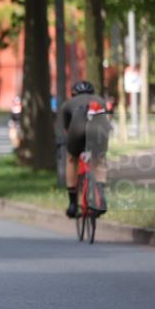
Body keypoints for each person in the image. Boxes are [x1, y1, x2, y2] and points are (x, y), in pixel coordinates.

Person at [57, 81, 109, 218]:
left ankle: (73, 204)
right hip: (98, 129)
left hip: (77, 130)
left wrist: (66, 142)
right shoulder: (100, 100)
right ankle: (101, 198)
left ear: (73, 94)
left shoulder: (67, 104)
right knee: (99, 159)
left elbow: (65, 129)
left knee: (71, 159)